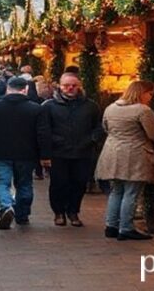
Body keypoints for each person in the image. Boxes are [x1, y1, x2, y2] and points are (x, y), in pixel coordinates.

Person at [95, 80, 154, 241]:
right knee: (132, 192)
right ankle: (126, 227)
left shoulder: (111, 108)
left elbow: (105, 127)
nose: (150, 97)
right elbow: (153, 135)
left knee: (116, 191)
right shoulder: (143, 110)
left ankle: (111, 225)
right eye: (149, 94)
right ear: (141, 93)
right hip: (135, 154)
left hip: (112, 152)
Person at [38, 72, 103, 227]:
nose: (70, 88)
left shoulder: (90, 105)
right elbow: (43, 130)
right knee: (59, 183)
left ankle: (73, 211)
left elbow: (99, 126)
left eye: (74, 85)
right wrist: (45, 153)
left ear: (79, 86)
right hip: (58, 152)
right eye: (66, 85)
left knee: (79, 183)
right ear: (60, 86)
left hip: (83, 152)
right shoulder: (49, 106)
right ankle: (59, 212)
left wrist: (92, 139)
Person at [0, 76, 41, 229]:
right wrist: (44, 154)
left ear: (7, 88)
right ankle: (23, 214)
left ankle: (5, 206)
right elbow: (42, 133)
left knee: (2, 183)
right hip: (27, 153)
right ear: (25, 89)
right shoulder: (35, 108)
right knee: (25, 184)